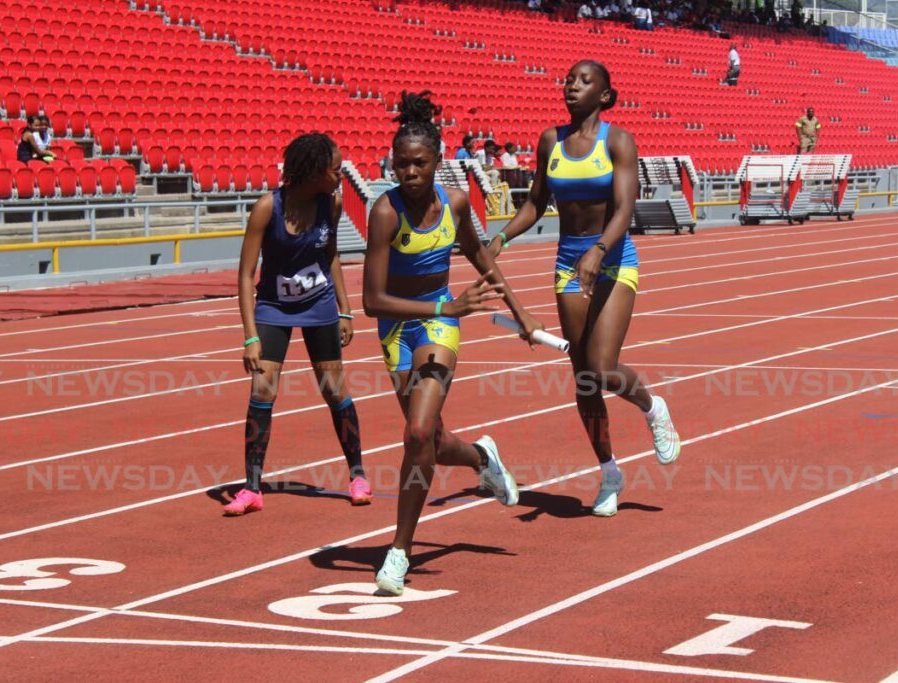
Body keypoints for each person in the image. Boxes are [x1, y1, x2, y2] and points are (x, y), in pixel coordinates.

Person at [364, 91, 543, 595]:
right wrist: (445, 307)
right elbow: (373, 301)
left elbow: (480, 257)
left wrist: (521, 312)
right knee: (432, 442)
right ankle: (483, 459)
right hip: (400, 325)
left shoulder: (456, 203)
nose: (409, 172)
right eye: (401, 164)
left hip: (440, 325)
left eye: (419, 163)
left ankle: (398, 550)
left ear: (439, 162)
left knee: (417, 433)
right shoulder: (385, 213)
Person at [488, 60, 680, 518]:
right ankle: (609, 472)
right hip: (567, 266)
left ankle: (653, 407)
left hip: (613, 260)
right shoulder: (549, 141)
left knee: (604, 366)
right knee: (585, 380)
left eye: (584, 81)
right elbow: (536, 202)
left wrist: (598, 251)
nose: (572, 85)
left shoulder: (617, 141)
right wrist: (500, 237)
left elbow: (624, 208)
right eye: (569, 79)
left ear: (605, 96)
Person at [225, 133, 372, 516]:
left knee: (333, 389)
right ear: (313, 172)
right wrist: (250, 336)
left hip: (320, 305)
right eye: (335, 169)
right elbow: (245, 276)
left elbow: (332, 255)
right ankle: (253, 487)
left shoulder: (333, 203)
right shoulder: (266, 208)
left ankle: (357, 475)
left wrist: (345, 309)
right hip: (274, 308)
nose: (341, 175)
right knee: (263, 389)